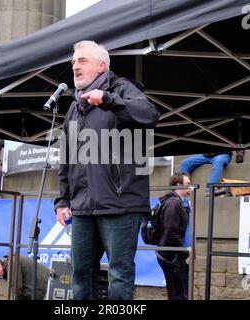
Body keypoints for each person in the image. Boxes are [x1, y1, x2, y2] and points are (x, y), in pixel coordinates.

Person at [54, 40, 159, 300]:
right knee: (80, 275)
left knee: (119, 276)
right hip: (82, 208)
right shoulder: (73, 108)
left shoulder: (122, 89)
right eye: (73, 62)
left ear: (102, 66)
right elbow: (66, 156)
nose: (75, 67)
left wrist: (110, 100)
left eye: (82, 61)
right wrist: (63, 199)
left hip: (120, 206)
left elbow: (150, 114)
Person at [157, 172, 191, 300]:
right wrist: (185, 255)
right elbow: (171, 234)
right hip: (172, 257)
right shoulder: (173, 204)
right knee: (178, 295)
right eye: (188, 184)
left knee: (181, 293)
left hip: (176, 255)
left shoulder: (181, 203)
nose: (190, 186)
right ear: (178, 185)